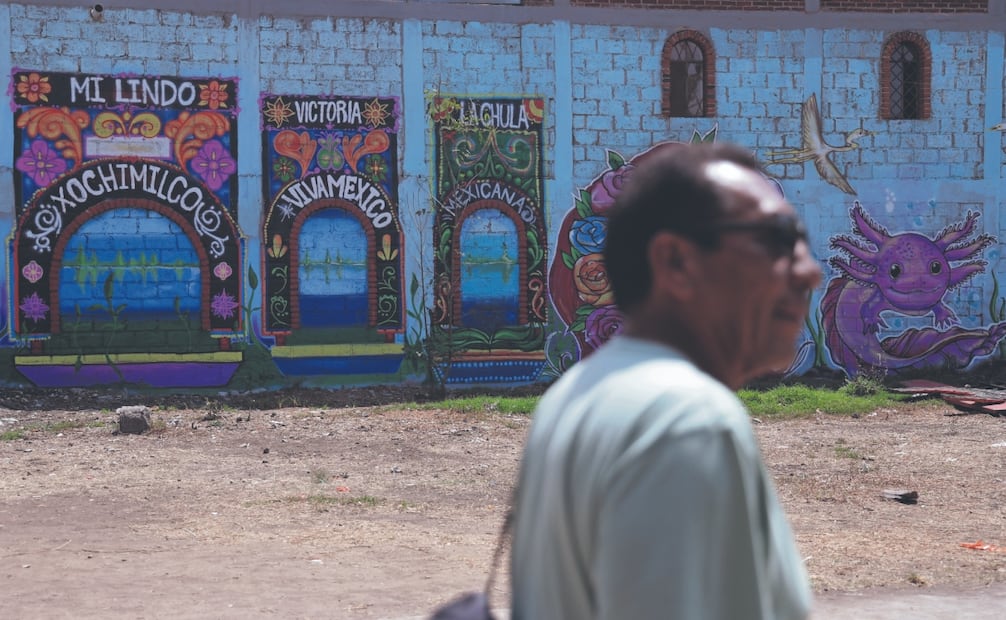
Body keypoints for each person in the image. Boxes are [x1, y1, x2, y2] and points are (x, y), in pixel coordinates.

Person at [509, 142, 822, 619]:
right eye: (777, 239)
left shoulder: (572, 397)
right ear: (676, 262)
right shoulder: (684, 420)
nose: (809, 271)